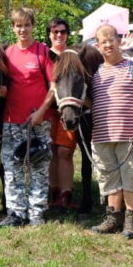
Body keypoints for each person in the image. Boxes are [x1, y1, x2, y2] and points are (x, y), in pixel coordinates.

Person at [88, 24, 133, 239]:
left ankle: (132, 219)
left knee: (131, 176)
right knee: (109, 178)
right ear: (97, 46)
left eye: (111, 40)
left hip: (129, 135)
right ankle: (113, 218)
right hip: (102, 135)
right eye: (103, 41)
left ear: (119, 41)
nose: (108, 44)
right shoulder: (95, 73)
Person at [0, 7, 56, 228]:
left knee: (38, 166)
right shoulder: (7, 53)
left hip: (38, 120)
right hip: (11, 120)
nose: (23, 30)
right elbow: (2, 83)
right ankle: (16, 213)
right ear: (13, 28)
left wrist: (41, 112)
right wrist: (2, 91)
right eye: (18, 25)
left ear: (33, 26)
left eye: (27, 25)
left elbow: (54, 87)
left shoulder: (42, 52)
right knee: (11, 168)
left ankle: (36, 213)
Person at [47, 17, 78, 212]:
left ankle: (66, 195)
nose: (59, 35)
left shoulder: (73, 55)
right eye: (55, 31)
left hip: (68, 110)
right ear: (49, 34)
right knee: (50, 152)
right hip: (47, 109)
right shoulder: (43, 54)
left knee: (65, 152)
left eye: (63, 31)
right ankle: (53, 193)